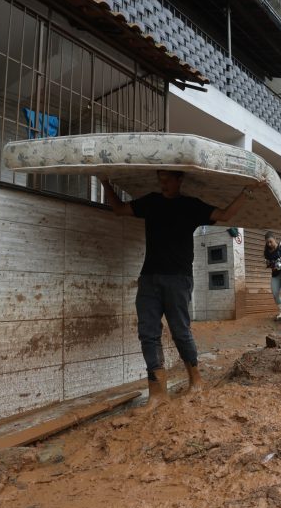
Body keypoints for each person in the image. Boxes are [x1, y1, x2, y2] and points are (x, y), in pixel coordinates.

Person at [101, 171, 260, 408]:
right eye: (160, 178)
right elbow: (119, 209)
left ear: (179, 179)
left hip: (178, 279)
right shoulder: (151, 201)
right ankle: (157, 393)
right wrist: (105, 182)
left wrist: (247, 191)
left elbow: (226, 214)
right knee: (148, 333)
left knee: (180, 331)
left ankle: (196, 381)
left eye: (167, 179)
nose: (162, 183)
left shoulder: (191, 205)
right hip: (149, 278)